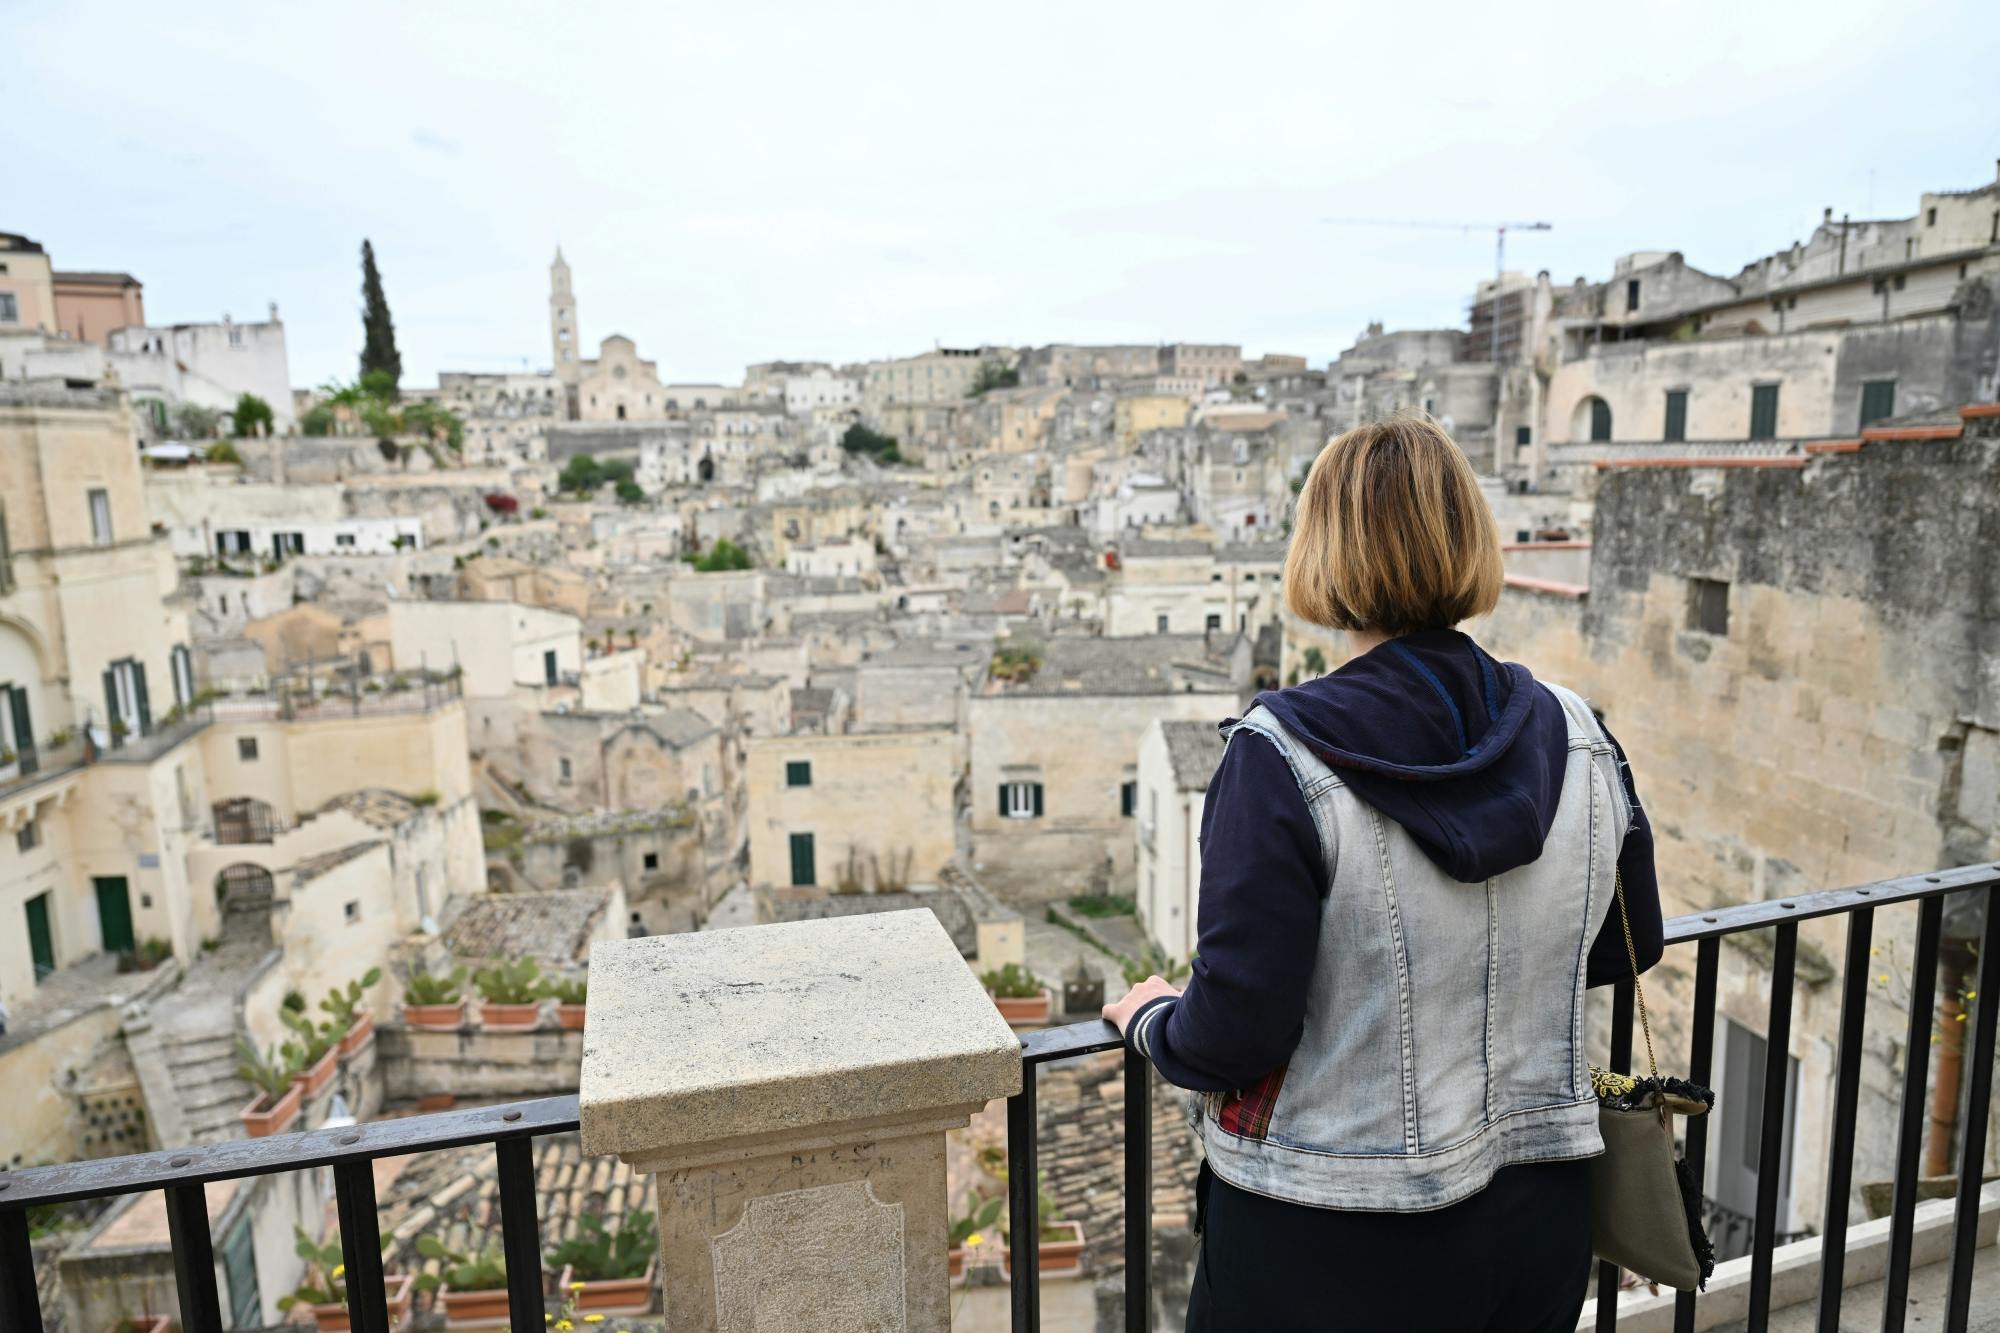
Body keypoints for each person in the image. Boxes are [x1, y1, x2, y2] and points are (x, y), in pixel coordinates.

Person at [1104, 417, 1663, 1332]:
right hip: (1537, 1210)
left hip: (1323, 1232)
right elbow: (1622, 943)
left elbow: (1236, 1029)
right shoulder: (1580, 732)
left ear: (1321, 551)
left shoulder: (1278, 754)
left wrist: (1151, 1020)